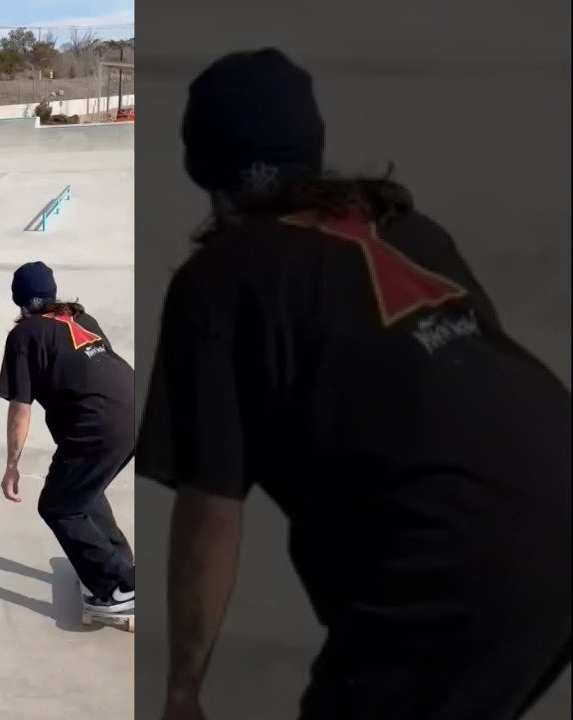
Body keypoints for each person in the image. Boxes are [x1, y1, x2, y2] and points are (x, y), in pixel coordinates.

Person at [138, 48, 571, 720]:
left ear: (207, 168)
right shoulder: (407, 227)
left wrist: (182, 689)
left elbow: (211, 515)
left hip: (452, 572)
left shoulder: (219, 283)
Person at [0, 261, 137, 614]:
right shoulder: (81, 318)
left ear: (19, 299)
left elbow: (21, 408)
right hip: (135, 410)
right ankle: (117, 564)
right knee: (84, 492)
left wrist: (12, 464)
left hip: (97, 427)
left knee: (58, 506)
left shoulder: (24, 336)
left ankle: (121, 586)